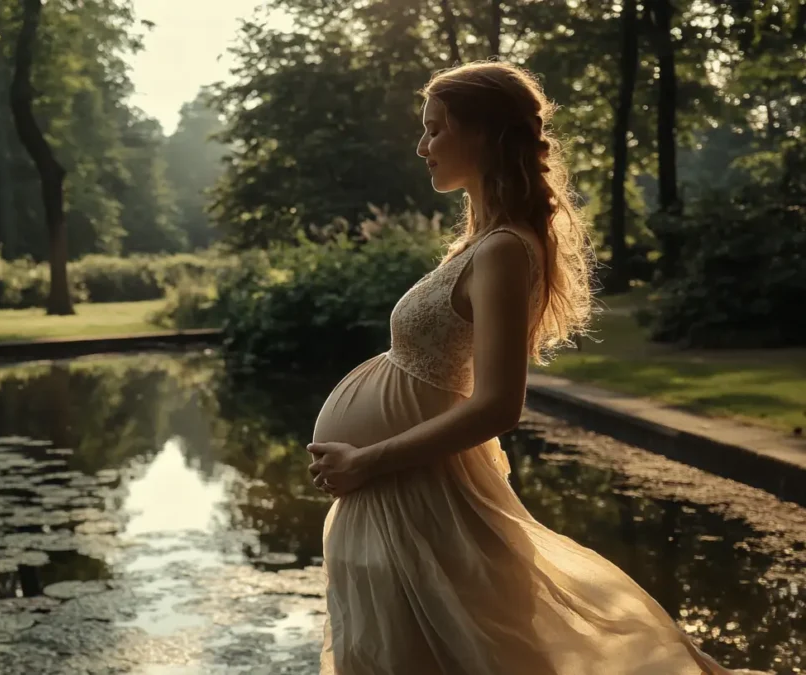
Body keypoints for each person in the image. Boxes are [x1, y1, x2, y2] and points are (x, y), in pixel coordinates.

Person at [306, 62, 762, 675]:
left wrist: (368, 459)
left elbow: (499, 405)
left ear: (486, 134)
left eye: (435, 129)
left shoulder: (503, 251)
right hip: (404, 500)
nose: (422, 147)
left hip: (421, 497)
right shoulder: (480, 244)